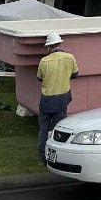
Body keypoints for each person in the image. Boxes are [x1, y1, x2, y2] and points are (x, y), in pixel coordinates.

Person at [36, 31, 78, 165]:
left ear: (48, 47)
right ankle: (56, 157)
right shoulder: (70, 57)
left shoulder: (44, 61)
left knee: (43, 129)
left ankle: (42, 159)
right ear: (59, 44)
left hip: (46, 100)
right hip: (62, 99)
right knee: (58, 130)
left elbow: (39, 77)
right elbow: (75, 74)